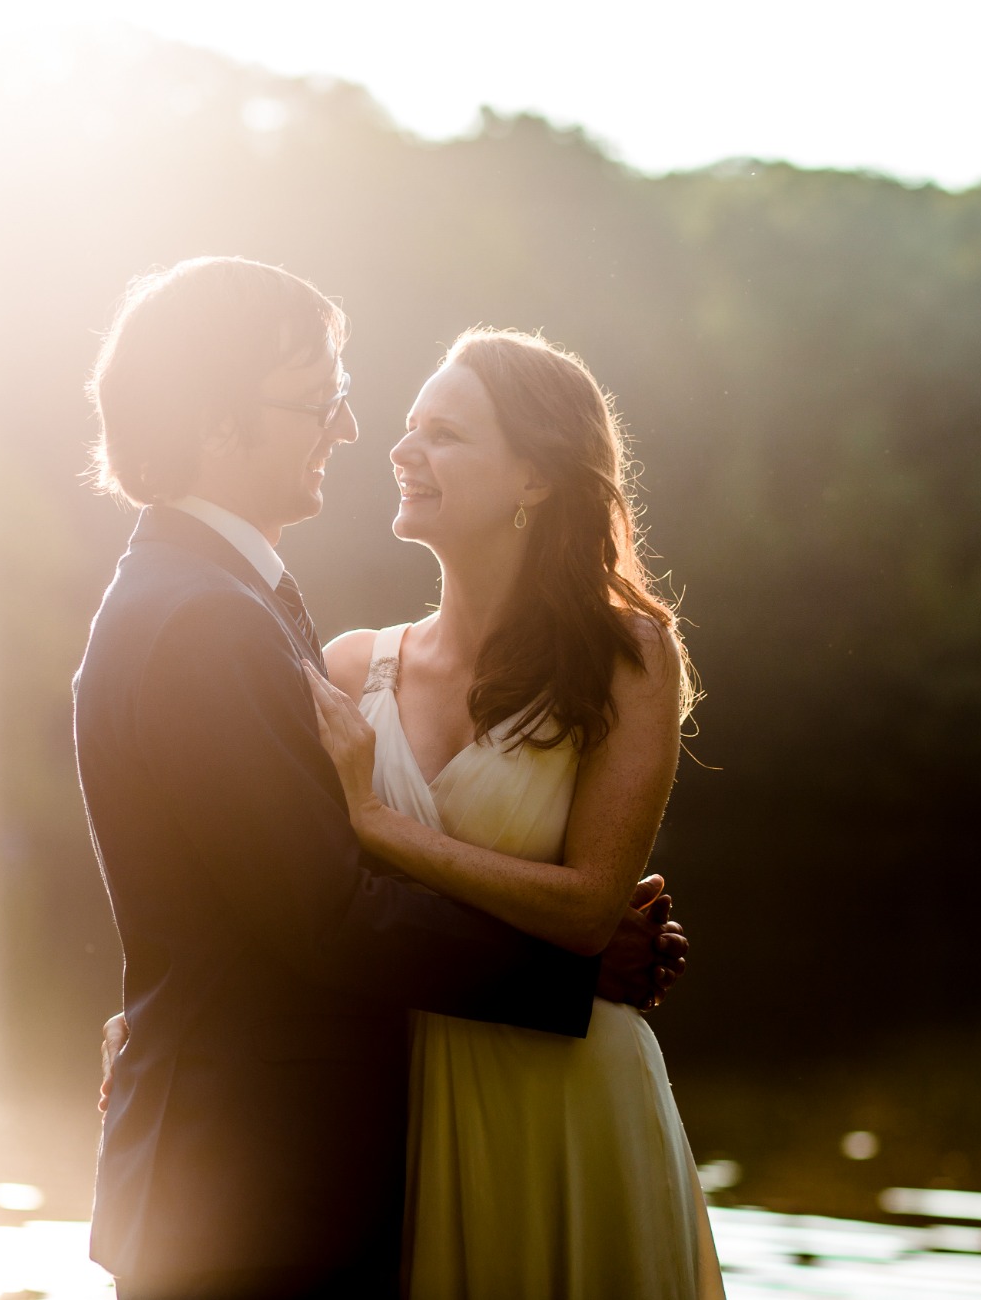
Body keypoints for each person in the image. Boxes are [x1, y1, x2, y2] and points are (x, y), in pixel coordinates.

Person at [73, 258, 689, 1300]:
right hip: (253, 1192)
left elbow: (263, 877)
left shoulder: (227, 598)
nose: (352, 431)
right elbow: (324, 914)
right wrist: (573, 972)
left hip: (301, 1171)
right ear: (221, 425)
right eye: (321, 400)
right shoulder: (206, 618)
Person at [304, 328, 724, 1298]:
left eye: (443, 432)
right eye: (408, 428)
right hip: (389, 1101)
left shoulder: (629, 656)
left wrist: (376, 823)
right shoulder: (343, 668)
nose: (402, 450)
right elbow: (284, 889)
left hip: (568, 1104)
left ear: (532, 476)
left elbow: (587, 908)